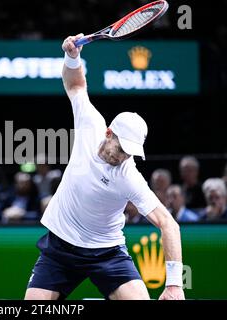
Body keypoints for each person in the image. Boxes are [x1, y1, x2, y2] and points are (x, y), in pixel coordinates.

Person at [24, 34, 185, 300]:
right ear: (109, 133)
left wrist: (174, 285)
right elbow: (75, 86)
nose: (123, 157)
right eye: (121, 149)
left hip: (107, 253)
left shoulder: (128, 175)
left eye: (130, 153)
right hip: (61, 247)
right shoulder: (90, 124)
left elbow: (168, 224)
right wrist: (72, 56)